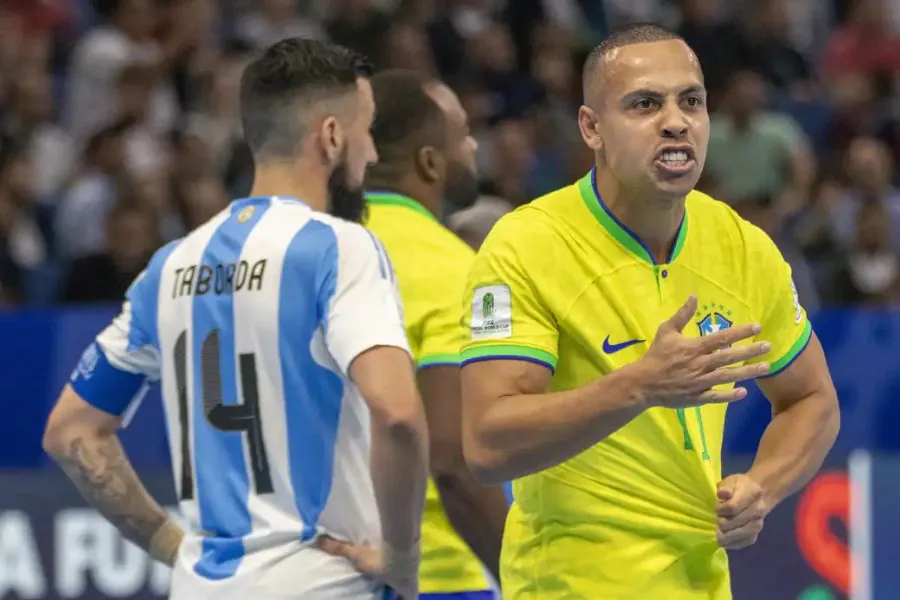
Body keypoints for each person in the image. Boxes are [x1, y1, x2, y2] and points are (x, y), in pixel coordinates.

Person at [459, 23, 841, 599]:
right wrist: (640, 386)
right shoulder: (527, 244)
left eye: (691, 100)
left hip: (702, 584)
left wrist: (763, 485)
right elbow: (487, 445)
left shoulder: (743, 247)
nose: (675, 120)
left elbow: (811, 400)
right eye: (644, 104)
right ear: (592, 128)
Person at [42, 38, 429, 600]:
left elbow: (71, 431)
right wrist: (402, 556)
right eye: (366, 132)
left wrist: (170, 545)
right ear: (331, 136)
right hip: (323, 583)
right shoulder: (339, 248)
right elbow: (397, 413)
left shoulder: (171, 265)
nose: (370, 154)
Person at [326, 69, 510, 600]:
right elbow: (452, 463)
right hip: (434, 574)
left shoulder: (310, 254)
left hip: (312, 571)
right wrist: (526, 581)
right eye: (464, 135)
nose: (475, 146)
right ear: (431, 161)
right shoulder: (465, 270)